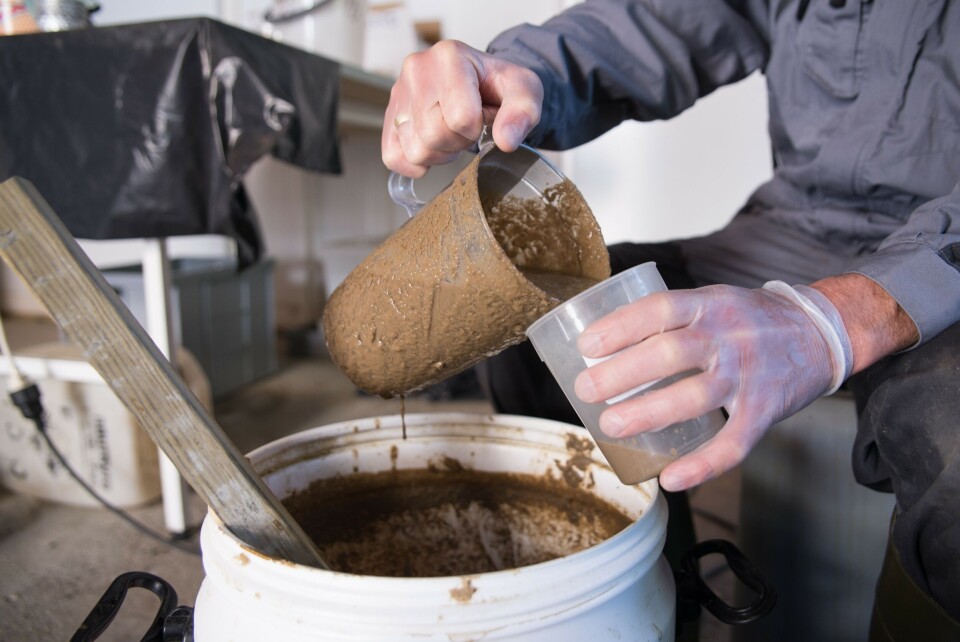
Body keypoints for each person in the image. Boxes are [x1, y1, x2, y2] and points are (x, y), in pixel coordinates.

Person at [380, 0, 960, 632]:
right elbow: (658, 21)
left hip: (944, 254)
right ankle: (663, 599)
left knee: (948, 428)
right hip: (797, 233)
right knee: (547, 330)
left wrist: (841, 318)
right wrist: (514, 74)